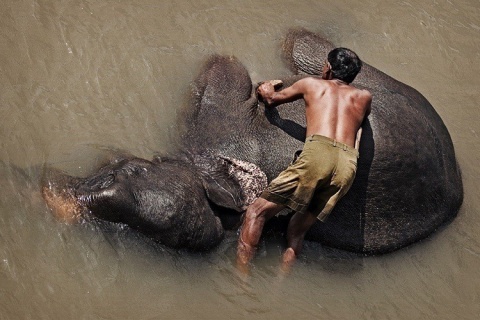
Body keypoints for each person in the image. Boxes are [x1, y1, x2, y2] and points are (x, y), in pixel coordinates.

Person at [236, 47, 372, 270]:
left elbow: (271, 100)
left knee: (256, 212)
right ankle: (281, 284)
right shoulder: (364, 97)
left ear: (328, 68)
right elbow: (360, 124)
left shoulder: (312, 84)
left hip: (320, 153)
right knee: (297, 231)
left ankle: (240, 279)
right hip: (347, 164)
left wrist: (265, 88)